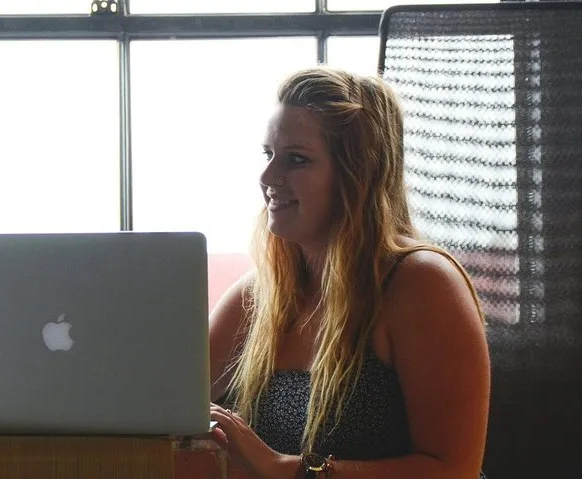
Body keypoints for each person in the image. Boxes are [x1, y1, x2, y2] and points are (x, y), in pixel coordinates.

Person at [207, 67, 490, 478]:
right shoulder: (260, 294)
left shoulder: (421, 283)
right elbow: (163, 405)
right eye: (268, 155)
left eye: (296, 159)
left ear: (358, 175)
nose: (267, 177)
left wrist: (284, 469)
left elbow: (454, 471)